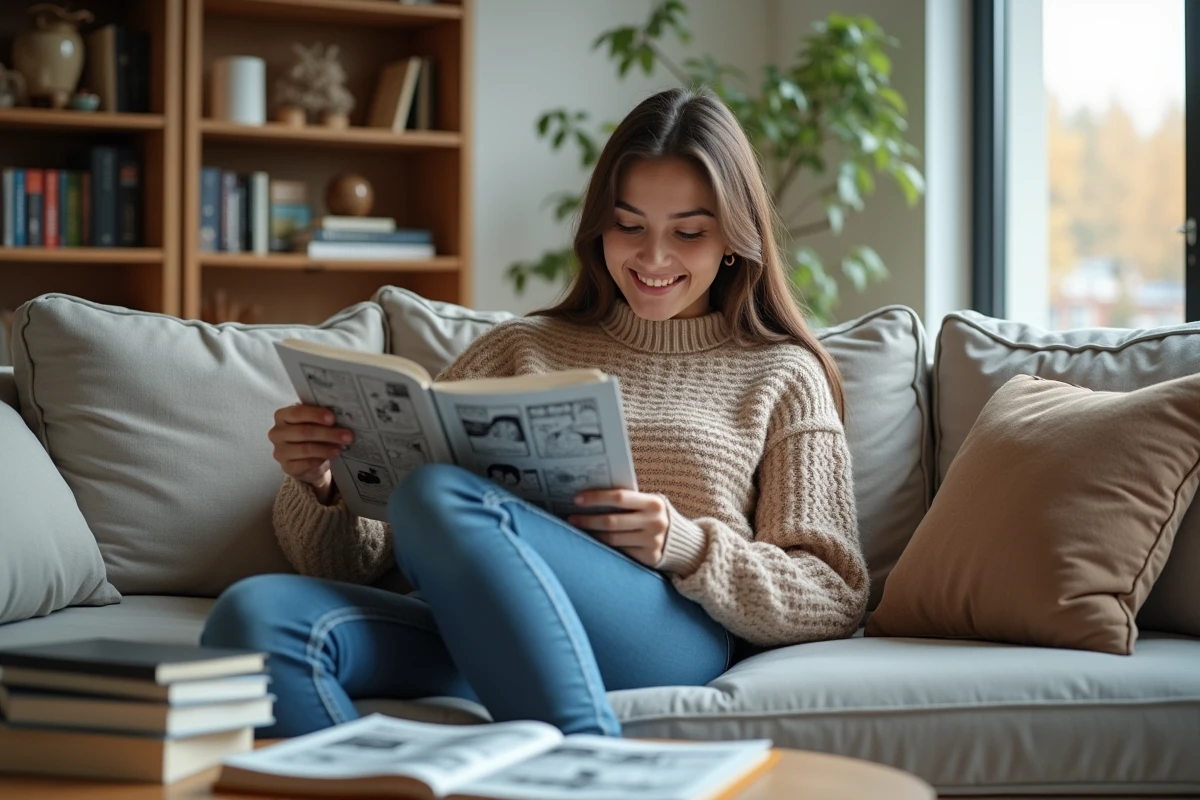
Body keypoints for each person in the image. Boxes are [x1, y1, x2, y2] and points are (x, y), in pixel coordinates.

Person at [201, 87, 869, 740]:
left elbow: (834, 594)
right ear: (598, 226)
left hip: (663, 627)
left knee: (440, 495)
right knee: (255, 616)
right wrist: (325, 482)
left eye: (688, 233)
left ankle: (588, 775)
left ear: (732, 238)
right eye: (629, 226)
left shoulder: (781, 373)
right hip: (472, 621)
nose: (654, 257)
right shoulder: (521, 347)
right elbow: (354, 563)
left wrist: (683, 544)